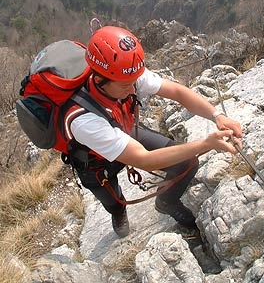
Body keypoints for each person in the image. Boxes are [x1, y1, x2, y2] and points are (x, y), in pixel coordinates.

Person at [64, 25, 242, 237]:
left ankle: (166, 201)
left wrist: (217, 116)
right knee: (114, 203)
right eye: (125, 86)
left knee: (187, 161)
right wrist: (206, 144)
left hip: (122, 130)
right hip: (95, 161)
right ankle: (118, 212)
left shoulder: (125, 76)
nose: (133, 90)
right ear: (100, 78)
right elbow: (145, 160)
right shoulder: (83, 119)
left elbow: (177, 92)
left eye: (133, 83)